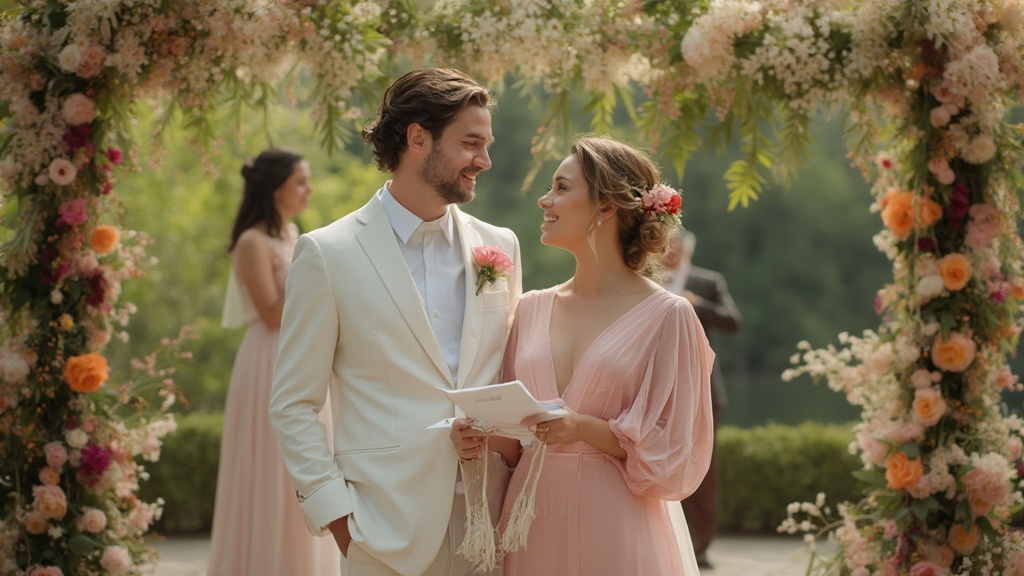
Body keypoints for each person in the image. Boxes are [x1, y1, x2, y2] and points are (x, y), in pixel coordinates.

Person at [268, 67, 523, 576]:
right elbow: (294, 403)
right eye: (471, 143)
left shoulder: (501, 244)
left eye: (487, 144)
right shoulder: (327, 253)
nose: (485, 161)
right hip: (381, 531)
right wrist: (336, 517)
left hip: (491, 524)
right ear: (418, 137)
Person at [453, 135, 715, 575]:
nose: (544, 200)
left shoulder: (669, 316)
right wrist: (478, 437)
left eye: (561, 187)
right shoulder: (531, 307)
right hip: (529, 523)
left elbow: (674, 453)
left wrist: (583, 428)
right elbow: (517, 445)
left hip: (616, 522)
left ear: (606, 206)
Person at [208, 149, 340, 576]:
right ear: (275, 186)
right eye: (301, 180)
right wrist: (318, 277)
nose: (309, 189)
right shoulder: (252, 241)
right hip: (269, 357)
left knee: (307, 460)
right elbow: (269, 311)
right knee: (269, 466)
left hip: (300, 351)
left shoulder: (292, 233)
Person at [660, 229, 742, 570]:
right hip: (660, 386)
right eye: (666, 247)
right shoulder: (645, 281)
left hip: (703, 386)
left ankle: (701, 547)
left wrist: (699, 304)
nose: (670, 253)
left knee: (704, 468)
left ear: (687, 252)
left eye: (676, 248)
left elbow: (734, 321)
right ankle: (666, 539)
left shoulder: (707, 282)